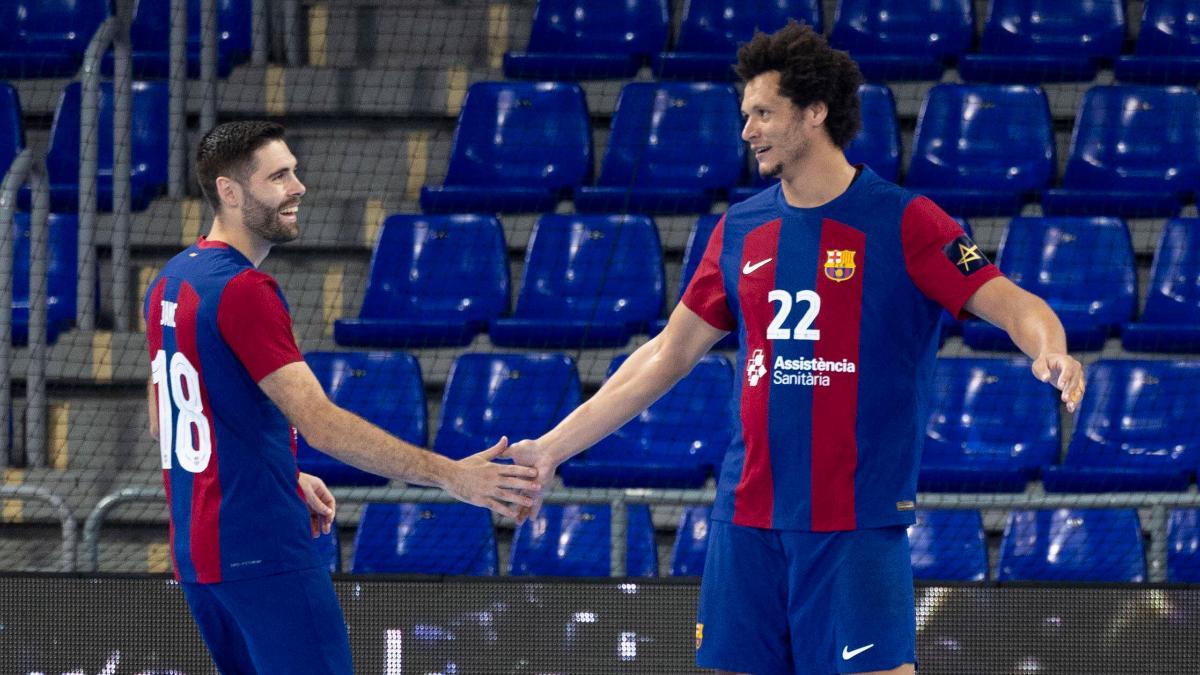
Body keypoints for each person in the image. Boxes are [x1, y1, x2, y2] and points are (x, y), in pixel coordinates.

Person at [503, 22, 1085, 675]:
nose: (747, 130)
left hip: (853, 523)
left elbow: (1012, 301)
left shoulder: (907, 220)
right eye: (744, 114)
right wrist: (551, 447)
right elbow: (665, 353)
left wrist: (1050, 347)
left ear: (815, 113)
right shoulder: (740, 228)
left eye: (762, 113)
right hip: (747, 517)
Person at [143, 120, 540, 674]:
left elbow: (168, 422)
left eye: (295, 172)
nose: (298, 187)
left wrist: (277, 469)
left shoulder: (169, 280)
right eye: (278, 176)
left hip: (199, 560)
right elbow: (322, 425)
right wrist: (453, 475)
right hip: (265, 553)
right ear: (230, 193)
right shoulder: (244, 290)